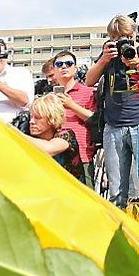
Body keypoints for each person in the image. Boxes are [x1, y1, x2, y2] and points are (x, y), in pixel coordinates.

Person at [85, 14, 139, 207]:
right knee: (117, 191)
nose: (123, 42)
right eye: (117, 38)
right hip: (113, 127)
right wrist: (104, 60)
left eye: (127, 37)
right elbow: (89, 81)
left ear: (135, 34)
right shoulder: (108, 56)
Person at [52, 50, 97, 187]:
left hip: (82, 155)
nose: (64, 67)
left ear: (75, 68)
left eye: (68, 63)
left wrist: (71, 105)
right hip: (55, 154)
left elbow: (94, 119)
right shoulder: (50, 97)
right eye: (59, 64)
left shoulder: (88, 91)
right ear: (54, 70)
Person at [26, 93, 81, 179]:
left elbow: (48, 149)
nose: (31, 122)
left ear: (52, 118)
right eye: (31, 117)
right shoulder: (32, 137)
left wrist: (14, 133)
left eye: (37, 118)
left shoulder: (67, 135)